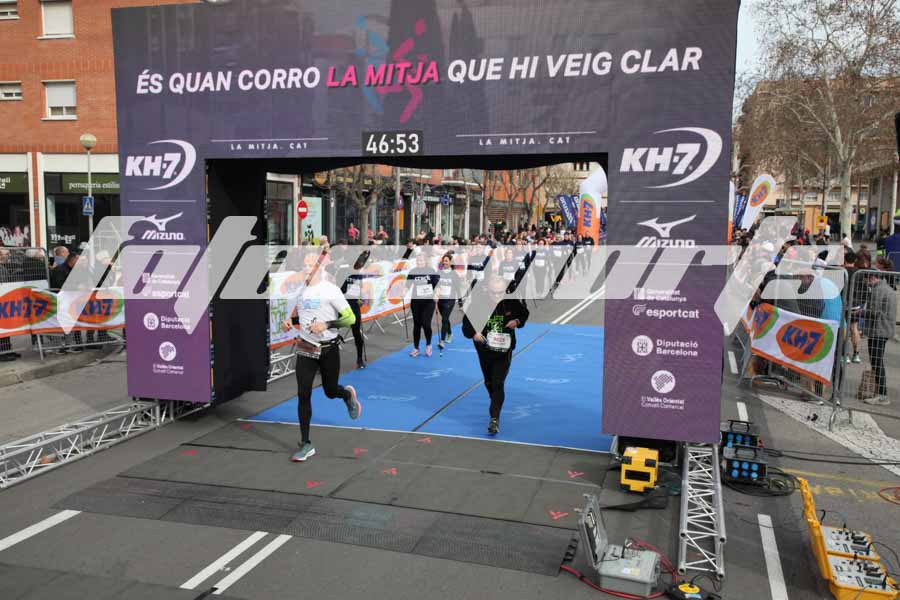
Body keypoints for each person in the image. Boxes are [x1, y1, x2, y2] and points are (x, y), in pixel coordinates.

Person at [282, 251, 362, 462]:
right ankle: (306, 443)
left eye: (312, 264)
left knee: (330, 391)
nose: (307, 267)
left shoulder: (330, 290)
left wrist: (326, 325)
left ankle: (346, 395)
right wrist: (291, 322)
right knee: (303, 394)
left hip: (328, 348)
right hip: (306, 348)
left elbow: (350, 318)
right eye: (305, 264)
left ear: (321, 267)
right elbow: (304, 317)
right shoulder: (301, 291)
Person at [462, 276, 529, 435]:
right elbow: (466, 325)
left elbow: (524, 313)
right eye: (494, 292)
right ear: (488, 290)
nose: (498, 295)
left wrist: (517, 321)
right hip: (485, 350)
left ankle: (494, 419)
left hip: (504, 351)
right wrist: (474, 334)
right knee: (489, 382)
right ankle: (495, 401)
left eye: (500, 292)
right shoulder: (478, 304)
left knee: (498, 382)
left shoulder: (510, 302)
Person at [858, 258, 896, 406]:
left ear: (873, 278)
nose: (866, 283)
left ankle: (882, 395)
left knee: (876, 362)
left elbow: (873, 312)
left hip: (878, 330)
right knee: (877, 361)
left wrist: (859, 312)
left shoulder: (877, 290)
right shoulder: (886, 288)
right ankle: (880, 393)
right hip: (884, 329)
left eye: (867, 279)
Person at [406, 252, 440, 357]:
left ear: (425, 261)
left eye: (421, 260)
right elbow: (407, 285)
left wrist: (436, 294)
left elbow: (437, 286)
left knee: (426, 323)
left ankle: (428, 345)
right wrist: (403, 292)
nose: (419, 262)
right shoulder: (413, 272)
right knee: (417, 324)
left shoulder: (431, 271)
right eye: (417, 261)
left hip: (428, 302)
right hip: (416, 302)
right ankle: (416, 348)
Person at [436, 253, 463, 351]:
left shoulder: (454, 274)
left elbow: (458, 288)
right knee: (445, 318)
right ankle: (450, 333)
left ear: (450, 262)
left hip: (450, 300)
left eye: (446, 261)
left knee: (444, 319)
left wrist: (460, 302)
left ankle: (442, 341)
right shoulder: (439, 273)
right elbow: (436, 285)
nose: (445, 262)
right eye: (443, 260)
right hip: (440, 300)